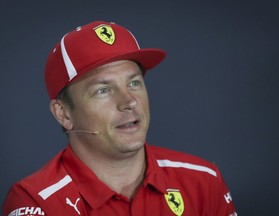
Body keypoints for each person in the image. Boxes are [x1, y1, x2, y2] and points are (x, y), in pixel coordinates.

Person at [3, 20, 237, 216]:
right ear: (63, 114)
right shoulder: (36, 202)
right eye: (103, 90)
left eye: (134, 83)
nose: (129, 101)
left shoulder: (204, 181)